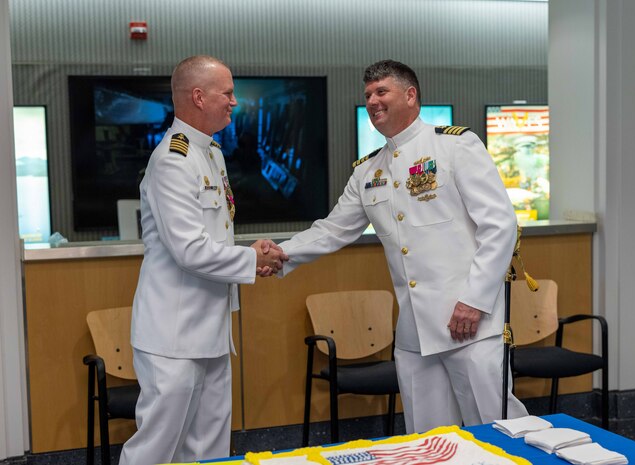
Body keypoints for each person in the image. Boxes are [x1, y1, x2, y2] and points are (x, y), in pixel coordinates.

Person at [277, 60, 527, 433]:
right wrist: (279, 255)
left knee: (497, 434)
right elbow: (332, 230)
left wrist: (474, 301)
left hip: (469, 326)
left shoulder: (455, 145)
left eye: (382, 92)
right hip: (414, 334)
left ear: (411, 95)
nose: (373, 101)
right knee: (427, 442)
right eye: (368, 95)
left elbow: (500, 225)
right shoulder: (368, 171)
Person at [119, 55, 288, 465]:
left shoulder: (212, 153)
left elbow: (215, 236)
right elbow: (189, 249)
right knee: (156, 450)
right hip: (173, 336)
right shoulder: (172, 160)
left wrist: (252, 253)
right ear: (198, 96)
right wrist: (251, 260)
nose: (234, 102)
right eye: (227, 93)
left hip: (210, 330)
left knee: (208, 452)